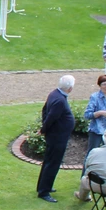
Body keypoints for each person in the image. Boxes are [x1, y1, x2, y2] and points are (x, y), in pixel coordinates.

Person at [36, 75, 76, 203]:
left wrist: (44, 129)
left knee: (49, 161)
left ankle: (42, 186)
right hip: (57, 137)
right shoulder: (60, 100)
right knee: (52, 163)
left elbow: (45, 111)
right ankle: (44, 191)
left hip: (55, 135)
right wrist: (44, 129)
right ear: (70, 88)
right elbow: (51, 117)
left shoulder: (54, 94)